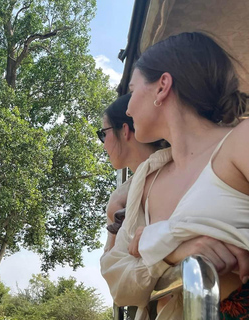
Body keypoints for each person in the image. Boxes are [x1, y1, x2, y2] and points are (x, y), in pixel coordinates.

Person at [101, 32, 249, 320]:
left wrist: (154, 242)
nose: (128, 109)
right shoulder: (147, 180)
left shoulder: (241, 140)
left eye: (132, 91)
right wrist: (172, 250)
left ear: (162, 87)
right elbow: (117, 281)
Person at [98, 93, 162, 253]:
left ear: (125, 130)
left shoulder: (169, 179)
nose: (104, 145)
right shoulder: (121, 196)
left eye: (104, 134)